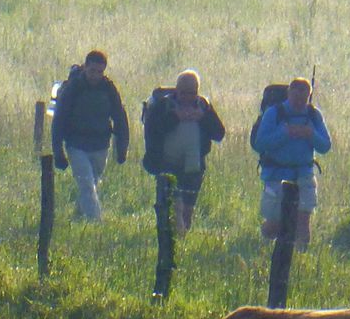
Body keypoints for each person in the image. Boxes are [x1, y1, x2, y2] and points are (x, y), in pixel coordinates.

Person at [141, 69, 226, 234]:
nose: (187, 97)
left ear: (197, 92)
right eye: (183, 93)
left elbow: (219, 134)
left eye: (192, 93)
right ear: (176, 90)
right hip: (167, 165)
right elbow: (152, 132)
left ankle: (181, 240)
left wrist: (203, 117)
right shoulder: (162, 106)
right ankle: (171, 240)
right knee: (174, 207)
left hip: (194, 168)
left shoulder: (203, 106)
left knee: (187, 211)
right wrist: (175, 118)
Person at [253, 77, 332, 251]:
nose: (299, 103)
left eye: (303, 100)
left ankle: (301, 259)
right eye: (295, 98)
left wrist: (310, 134)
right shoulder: (274, 113)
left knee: (303, 220)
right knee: (275, 224)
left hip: (304, 174)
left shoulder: (313, 115)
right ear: (289, 93)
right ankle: (263, 247)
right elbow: (260, 143)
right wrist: (285, 133)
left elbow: (325, 146)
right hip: (275, 175)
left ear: (308, 96)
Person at [50, 50, 129, 221]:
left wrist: (122, 148)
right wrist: (58, 151)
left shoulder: (109, 89)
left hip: (101, 146)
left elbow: (120, 118)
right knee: (86, 184)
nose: (96, 75)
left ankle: (77, 217)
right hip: (76, 145)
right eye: (92, 71)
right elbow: (59, 120)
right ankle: (96, 223)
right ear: (85, 67)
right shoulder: (73, 89)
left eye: (100, 72)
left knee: (91, 184)